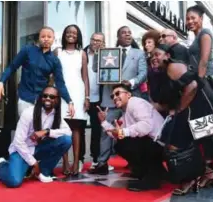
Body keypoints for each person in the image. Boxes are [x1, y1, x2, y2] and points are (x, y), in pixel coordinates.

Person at [151, 44, 210, 195]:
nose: (154, 58)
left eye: (157, 54)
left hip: (195, 107)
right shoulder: (163, 72)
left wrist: (179, 110)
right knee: (194, 144)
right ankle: (202, 174)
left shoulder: (173, 67)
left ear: (167, 56)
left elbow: (192, 86)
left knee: (177, 144)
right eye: (152, 55)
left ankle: (191, 178)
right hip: (192, 107)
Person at [89, 26, 148, 174]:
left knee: (134, 131)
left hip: (131, 99)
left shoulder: (139, 53)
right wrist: (98, 52)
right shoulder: (108, 52)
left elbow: (143, 73)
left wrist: (132, 82)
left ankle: (137, 163)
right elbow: (96, 69)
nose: (127, 35)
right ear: (118, 36)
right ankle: (102, 164)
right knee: (106, 131)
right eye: (124, 33)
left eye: (129, 32)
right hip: (110, 99)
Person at [0, 86, 72, 188]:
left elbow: (68, 132)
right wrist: (34, 163)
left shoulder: (55, 115)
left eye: (52, 97)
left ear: (57, 100)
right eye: (45, 96)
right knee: (14, 181)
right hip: (21, 151)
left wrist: (46, 132)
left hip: (38, 148)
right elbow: (18, 142)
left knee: (66, 140)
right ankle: (1, 166)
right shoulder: (29, 113)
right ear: (40, 97)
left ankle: (43, 171)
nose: (48, 99)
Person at [186, 5, 213, 188]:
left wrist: (198, 82)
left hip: (204, 86)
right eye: (187, 18)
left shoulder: (205, 33)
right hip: (199, 87)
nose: (190, 21)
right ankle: (210, 169)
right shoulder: (195, 37)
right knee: (203, 131)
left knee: (212, 130)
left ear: (201, 18)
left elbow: (204, 60)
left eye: (193, 18)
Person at [98, 84, 165, 191]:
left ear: (128, 94)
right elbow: (117, 134)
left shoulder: (136, 103)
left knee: (126, 143)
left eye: (117, 93)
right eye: (112, 96)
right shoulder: (125, 113)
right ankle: (150, 172)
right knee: (121, 144)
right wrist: (104, 122)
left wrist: (123, 132)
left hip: (159, 143)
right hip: (152, 143)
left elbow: (146, 126)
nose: (115, 98)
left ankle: (152, 179)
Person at [0, 26, 74, 117]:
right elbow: (12, 67)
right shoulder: (27, 50)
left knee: (39, 129)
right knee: (25, 128)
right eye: (43, 36)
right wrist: (1, 81)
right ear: (39, 38)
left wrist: (69, 101)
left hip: (42, 101)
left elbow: (60, 83)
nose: (46, 39)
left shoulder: (55, 60)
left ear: (53, 39)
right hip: (25, 98)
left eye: (49, 37)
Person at [55, 24, 90, 176]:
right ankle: (65, 162)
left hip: (77, 92)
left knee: (76, 128)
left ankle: (76, 162)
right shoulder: (57, 51)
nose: (71, 35)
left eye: (74, 33)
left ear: (78, 36)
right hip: (61, 91)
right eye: (68, 32)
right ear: (64, 35)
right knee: (63, 127)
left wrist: (87, 97)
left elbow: (85, 77)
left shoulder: (82, 53)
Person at [80, 32, 105, 170]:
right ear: (89, 40)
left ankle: (96, 159)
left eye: (99, 41)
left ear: (103, 43)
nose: (96, 43)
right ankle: (80, 159)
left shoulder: (106, 56)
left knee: (97, 130)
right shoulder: (81, 54)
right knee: (80, 129)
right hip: (82, 98)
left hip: (98, 99)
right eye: (94, 40)